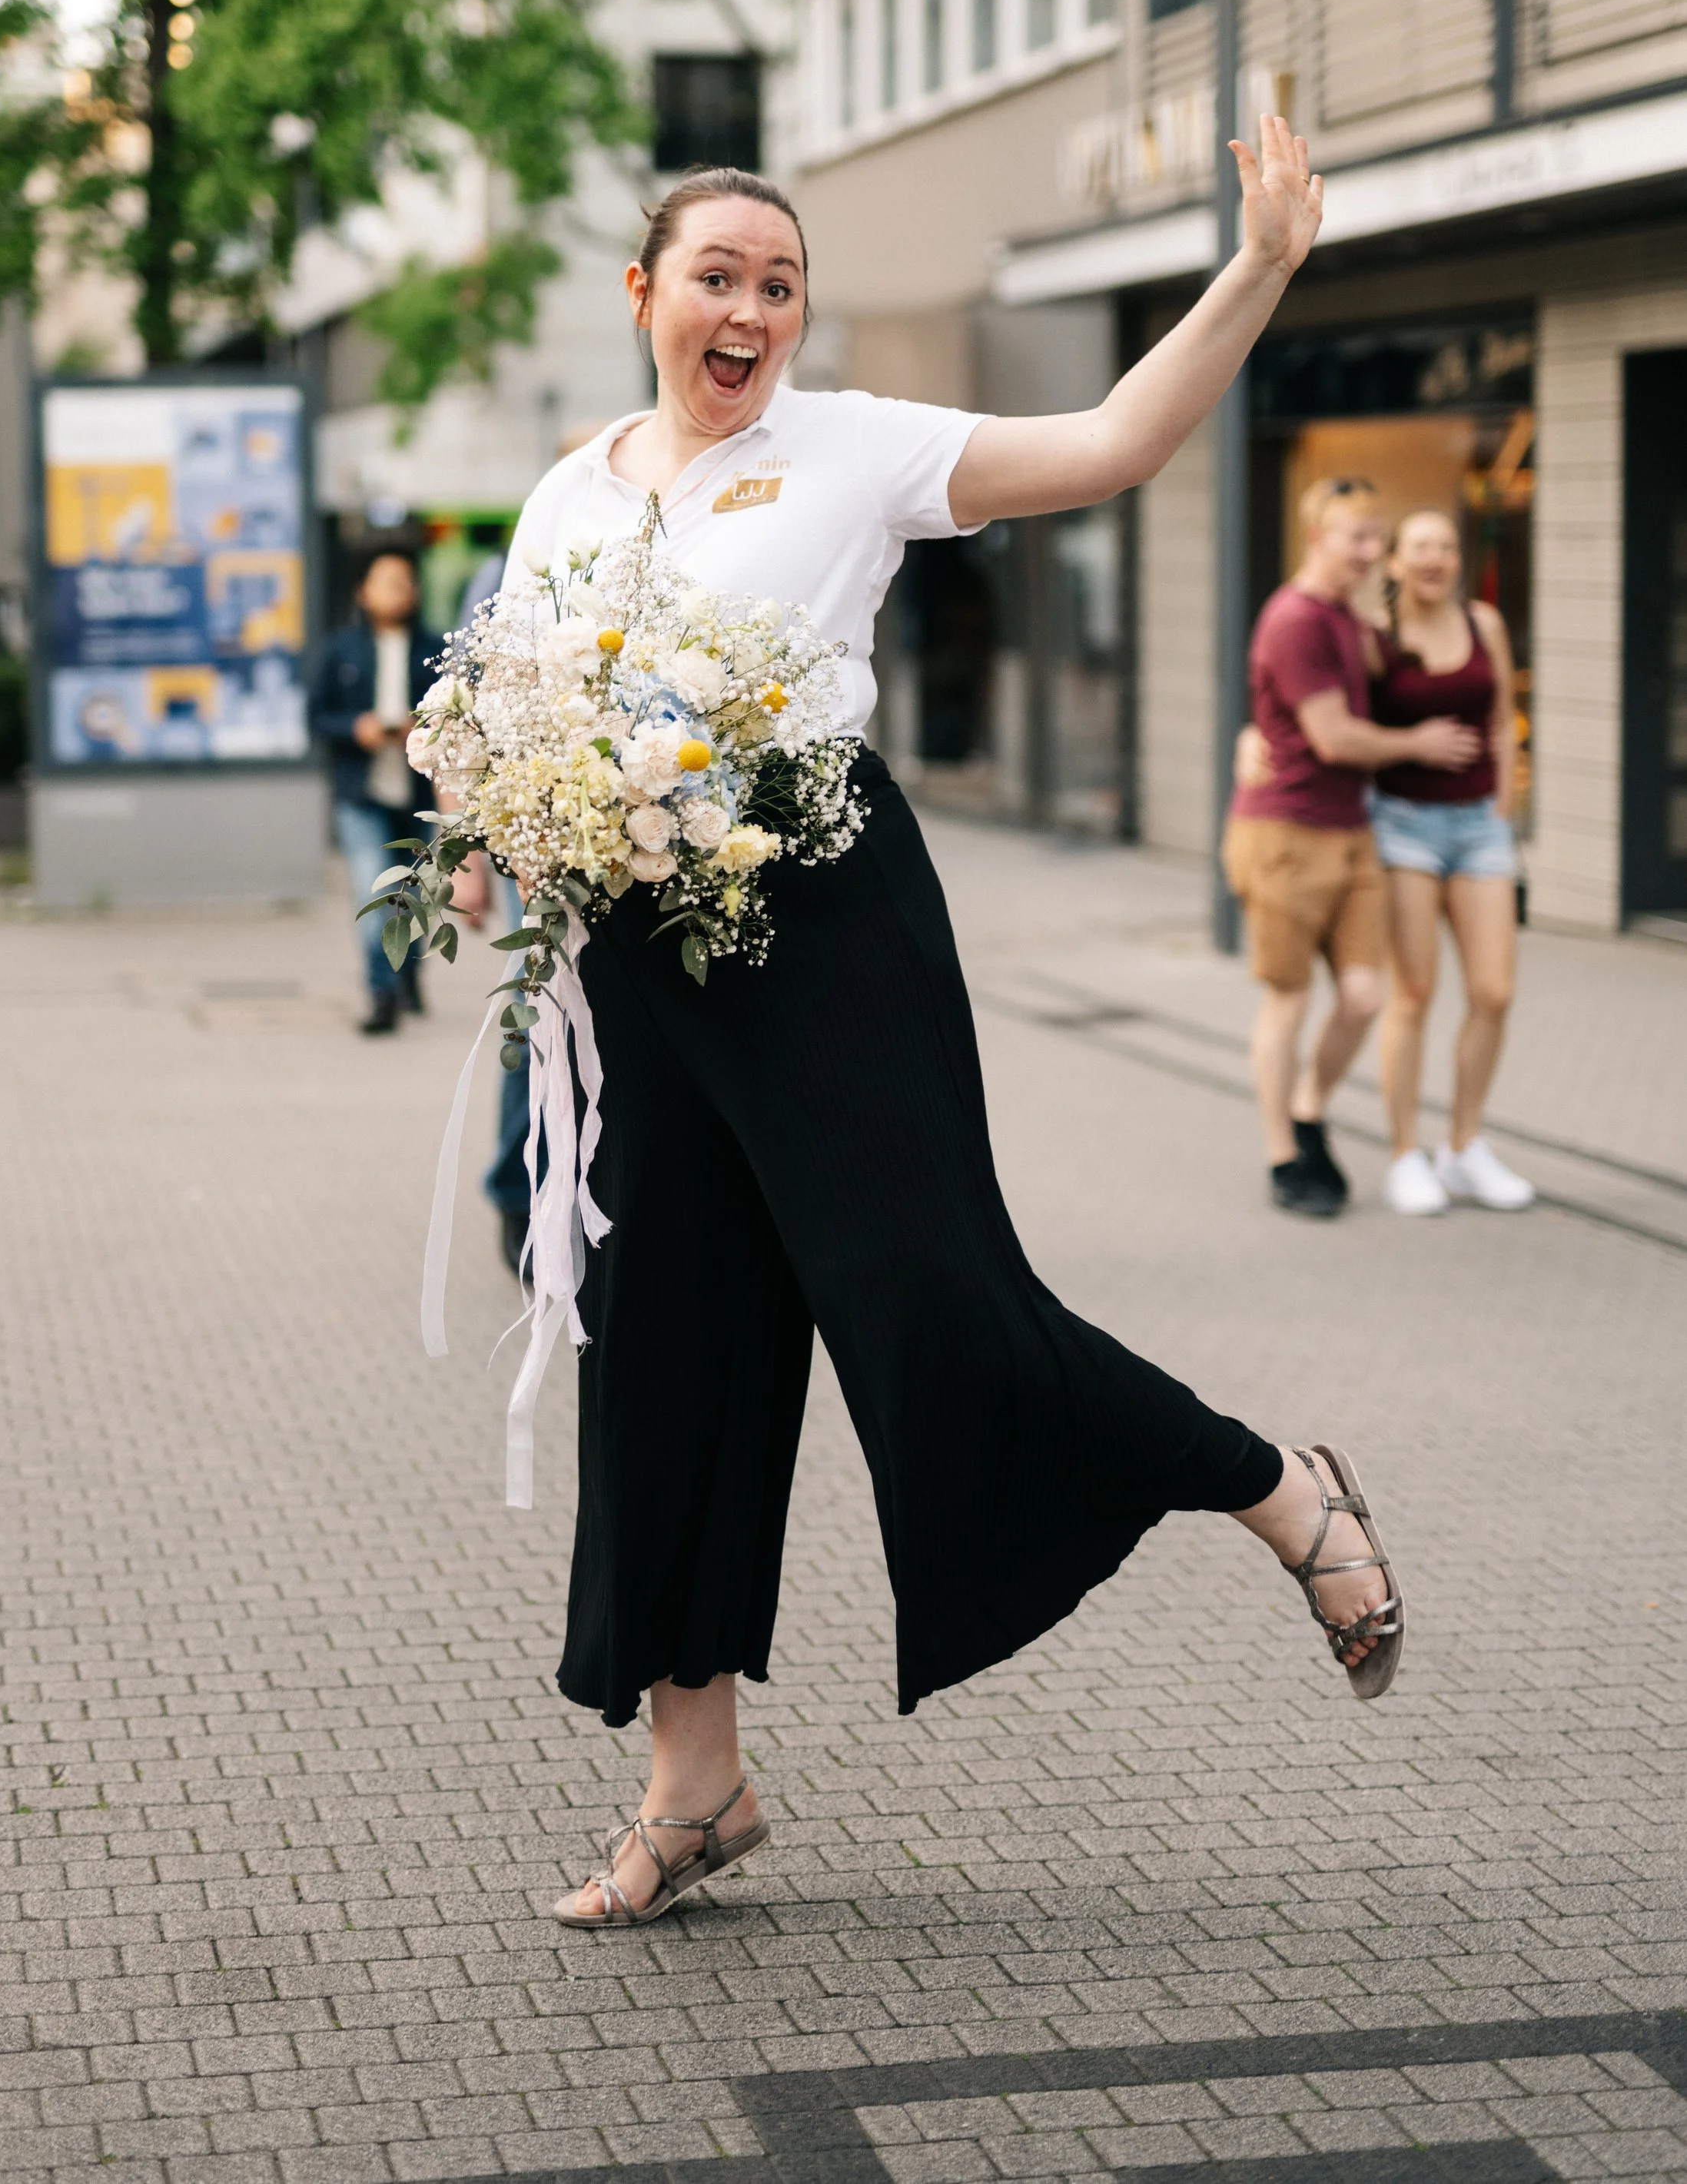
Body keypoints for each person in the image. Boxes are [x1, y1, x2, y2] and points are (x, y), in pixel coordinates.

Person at [448, 136, 1411, 1936]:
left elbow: (1120, 438)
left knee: (923, 1297)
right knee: (662, 1346)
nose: (747, 305)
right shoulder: (566, 492)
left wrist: (1262, 264)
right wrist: (510, 825)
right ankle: (694, 1784)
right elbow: (524, 695)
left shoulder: (859, 443)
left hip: (822, 918)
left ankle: (1276, 1483)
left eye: (777, 280)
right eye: (716, 272)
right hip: (644, 956)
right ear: (644, 293)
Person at [1224, 480, 1479, 1221]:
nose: (1371, 552)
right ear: (1317, 536)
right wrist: (1419, 745)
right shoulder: (1296, 618)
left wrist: (1254, 732)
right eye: (1356, 539)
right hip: (1286, 837)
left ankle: (1310, 1109)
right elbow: (1334, 736)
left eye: (1377, 538)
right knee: (1289, 1001)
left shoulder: (1348, 618)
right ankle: (1284, 1155)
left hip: (1351, 832)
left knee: (1365, 998)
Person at [1371, 509, 1534, 1214]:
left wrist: (1503, 801)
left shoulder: (1484, 625)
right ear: (1396, 563)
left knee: (1494, 992)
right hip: (1402, 825)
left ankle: (1464, 1147)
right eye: (1420, 547)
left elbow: (1501, 719)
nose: (1434, 558)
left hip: (1479, 829)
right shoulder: (1375, 638)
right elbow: (1339, 719)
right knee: (1412, 993)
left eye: (1444, 546)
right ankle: (1405, 1154)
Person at [308, 546, 441, 1035]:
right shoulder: (342, 649)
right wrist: (355, 727)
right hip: (361, 793)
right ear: (364, 591)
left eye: (406, 581)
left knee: (415, 898)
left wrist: (422, 727)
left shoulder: (434, 650)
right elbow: (317, 715)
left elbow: (459, 716)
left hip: (418, 798)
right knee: (376, 895)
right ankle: (382, 994)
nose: (398, 591)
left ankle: (409, 973)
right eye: (387, 581)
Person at [455, 525, 533, 1276]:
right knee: (534, 1003)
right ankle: (517, 1191)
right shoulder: (508, 569)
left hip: (641, 819)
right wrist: (465, 856)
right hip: (530, 826)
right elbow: (456, 712)